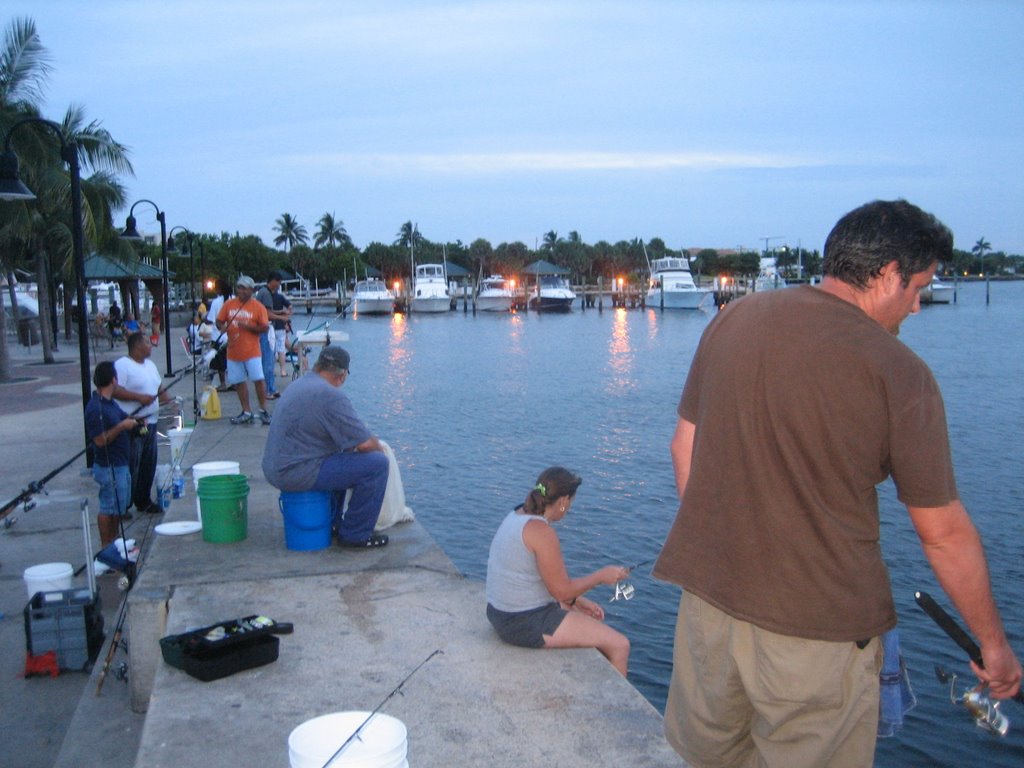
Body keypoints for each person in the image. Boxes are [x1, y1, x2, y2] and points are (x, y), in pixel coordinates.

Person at [653, 199, 1022, 768]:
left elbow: (685, 446)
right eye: (918, 287)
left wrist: (729, 550)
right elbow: (944, 533)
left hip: (708, 614)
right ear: (887, 274)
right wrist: (994, 648)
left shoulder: (733, 320)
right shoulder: (899, 372)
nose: (918, 306)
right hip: (817, 635)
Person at [485, 467, 631, 676]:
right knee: (620, 645)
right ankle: (618, 707)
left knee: (579, 614)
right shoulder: (542, 532)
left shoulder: (516, 514)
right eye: (570, 502)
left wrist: (576, 601)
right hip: (521, 624)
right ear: (563, 501)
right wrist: (601, 576)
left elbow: (538, 578)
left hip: (498, 613)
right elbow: (562, 591)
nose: (569, 508)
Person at [261, 345, 390, 548]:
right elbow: (365, 444)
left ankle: (333, 524)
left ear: (318, 365)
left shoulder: (301, 383)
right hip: (294, 471)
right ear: (342, 375)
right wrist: (380, 448)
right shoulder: (330, 395)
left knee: (342, 453)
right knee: (377, 464)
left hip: (277, 466)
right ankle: (355, 535)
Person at [114, 332, 172, 515]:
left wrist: (171, 404)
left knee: (149, 462)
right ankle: (124, 504)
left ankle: (143, 499)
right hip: (133, 423)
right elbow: (114, 390)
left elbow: (159, 388)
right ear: (137, 345)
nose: (150, 345)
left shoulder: (151, 365)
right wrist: (139, 398)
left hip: (151, 421)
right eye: (147, 342)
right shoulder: (122, 365)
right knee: (133, 463)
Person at [85, 361, 138, 546]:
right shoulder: (94, 408)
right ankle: (106, 547)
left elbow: (124, 417)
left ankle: (115, 543)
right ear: (113, 380)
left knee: (118, 508)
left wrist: (136, 422)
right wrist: (122, 426)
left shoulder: (110, 403)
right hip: (109, 467)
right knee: (108, 507)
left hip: (120, 464)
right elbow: (99, 440)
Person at [217, 275, 271, 425]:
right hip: (233, 351)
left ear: (251, 290)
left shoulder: (258, 307)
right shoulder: (229, 304)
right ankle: (246, 411)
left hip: (252, 351)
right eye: (239, 287)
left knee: (258, 380)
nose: (240, 291)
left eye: (244, 288)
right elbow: (219, 320)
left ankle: (263, 410)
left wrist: (248, 327)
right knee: (238, 381)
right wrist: (221, 327)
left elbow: (265, 328)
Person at [255, 271, 291, 400]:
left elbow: (267, 311)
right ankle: (267, 391)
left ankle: (272, 388)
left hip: (267, 329)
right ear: (273, 281)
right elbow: (268, 315)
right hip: (264, 331)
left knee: (269, 360)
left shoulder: (264, 292)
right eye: (278, 282)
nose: (279, 285)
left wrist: (280, 312)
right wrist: (282, 318)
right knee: (268, 362)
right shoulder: (265, 293)